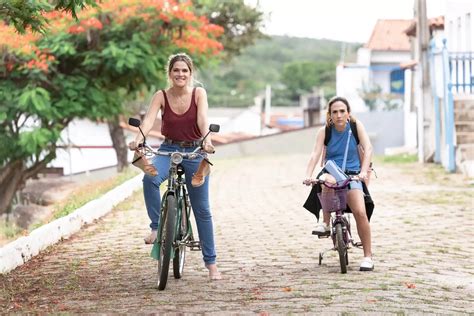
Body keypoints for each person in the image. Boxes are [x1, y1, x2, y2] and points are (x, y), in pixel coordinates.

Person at [129, 52, 222, 280]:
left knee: (202, 210)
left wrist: (206, 141)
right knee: (150, 178)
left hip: (194, 151)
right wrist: (138, 138)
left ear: (190, 74)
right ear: (169, 74)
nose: (180, 74)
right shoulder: (161, 95)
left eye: (184, 70)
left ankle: (211, 265)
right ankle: (156, 226)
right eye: (176, 70)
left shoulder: (199, 94)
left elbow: (202, 120)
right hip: (168, 149)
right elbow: (149, 120)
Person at [303, 96, 374, 271]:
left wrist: (363, 172)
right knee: (326, 180)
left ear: (348, 113)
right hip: (332, 172)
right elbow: (315, 154)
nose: (339, 115)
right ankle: (326, 223)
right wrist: (308, 175)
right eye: (335, 112)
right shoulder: (324, 131)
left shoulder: (356, 127)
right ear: (330, 115)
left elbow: (369, 148)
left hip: (353, 175)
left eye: (342, 111)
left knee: (360, 212)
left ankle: (367, 257)